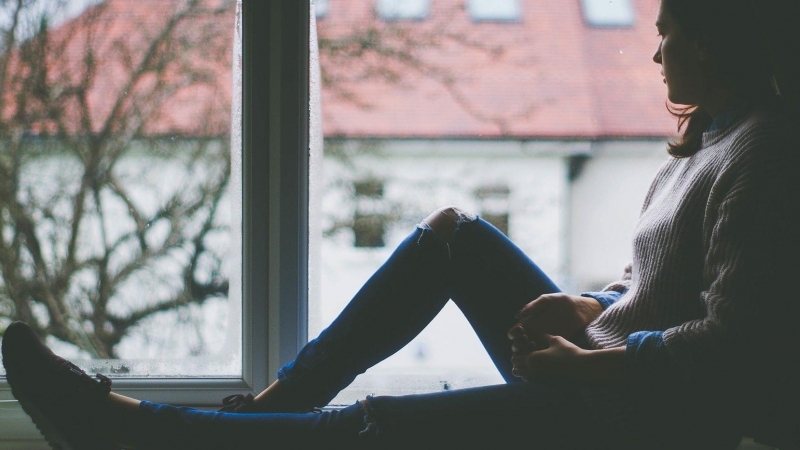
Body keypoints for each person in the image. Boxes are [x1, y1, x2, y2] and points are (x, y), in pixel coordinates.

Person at [3, 0, 799, 448]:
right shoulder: (709, 140)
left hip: (641, 421)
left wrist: (589, 363)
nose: (656, 55)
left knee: (375, 429)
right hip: (608, 374)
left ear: (714, 33)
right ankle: (273, 410)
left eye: (666, 34)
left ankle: (127, 432)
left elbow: (737, 345)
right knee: (451, 235)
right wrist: (590, 306)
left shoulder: (763, 152)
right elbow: (656, 280)